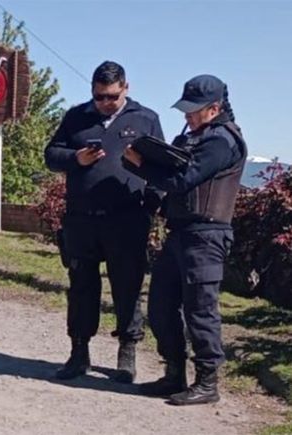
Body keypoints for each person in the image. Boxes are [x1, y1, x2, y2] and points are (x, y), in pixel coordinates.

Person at [123, 75, 246, 405]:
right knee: (161, 307)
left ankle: (207, 382)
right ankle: (173, 373)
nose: (187, 117)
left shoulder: (221, 141)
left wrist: (143, 166)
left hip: (207, 236)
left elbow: (185, 179)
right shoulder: (195, 136)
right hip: (181, 234)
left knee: (200, 311)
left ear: (215, 108)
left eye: (194, 111)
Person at [44, 61, 164, 383]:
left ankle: (127, 352)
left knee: (127, 287)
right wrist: (75, 158)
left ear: (126, 88)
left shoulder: (145, 119)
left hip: (126, 220)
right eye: (99, 96)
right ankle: (79, 352)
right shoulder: (76, 117)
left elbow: (161, 170)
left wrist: (151, 204)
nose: (104, 103)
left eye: (111, 96)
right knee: (82, 288)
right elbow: (51, 155)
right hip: (82, 220)